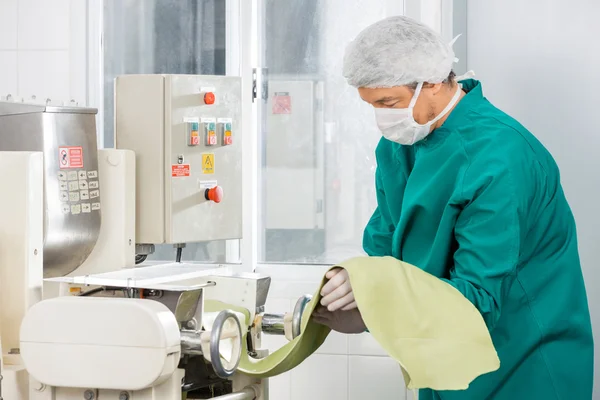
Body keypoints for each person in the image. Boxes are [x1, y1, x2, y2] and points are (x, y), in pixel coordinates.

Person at [312, 15, 594, 399]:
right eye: (371, 104)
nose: (381, 117)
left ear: (430, 82)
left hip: (522, 363)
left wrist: (378, 293)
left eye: (388, 102)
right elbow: (386, 250)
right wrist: (363, 295)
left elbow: (478, 296)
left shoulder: (501, 159)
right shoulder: (399, 147)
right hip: (442, 360)